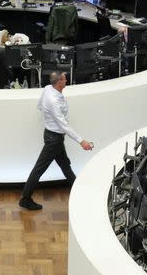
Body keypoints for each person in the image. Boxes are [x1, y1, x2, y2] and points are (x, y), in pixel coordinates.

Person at [19, 72, 93, 211]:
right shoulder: (53, 101)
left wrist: (48, 117)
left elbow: (39, 106)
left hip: (53, 137)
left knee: (65, 166)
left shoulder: (48, 88)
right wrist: (81, 141)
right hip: (54, 140)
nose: (66, 80)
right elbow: (63, 124)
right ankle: (25, 198)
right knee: (40, 169)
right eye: (65, 78)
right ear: (59, 82)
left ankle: (80, 193)